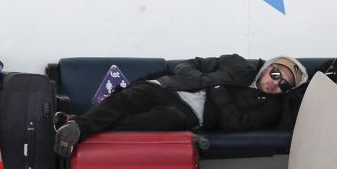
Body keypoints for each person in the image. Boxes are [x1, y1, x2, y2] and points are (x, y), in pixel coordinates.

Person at [54, 55, 307, 158]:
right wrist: (205, 80)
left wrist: (217, 90)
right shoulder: (237, 64)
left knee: (161, 120)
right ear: (268, 67)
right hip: (168, 87)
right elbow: (187, 64)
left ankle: (77, 124)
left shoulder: (269, 106)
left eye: (285, 86)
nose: (277, 85)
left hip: (190, 114)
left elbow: (234, 122)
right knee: (131, 98)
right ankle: (77, 126)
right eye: (276, 76)